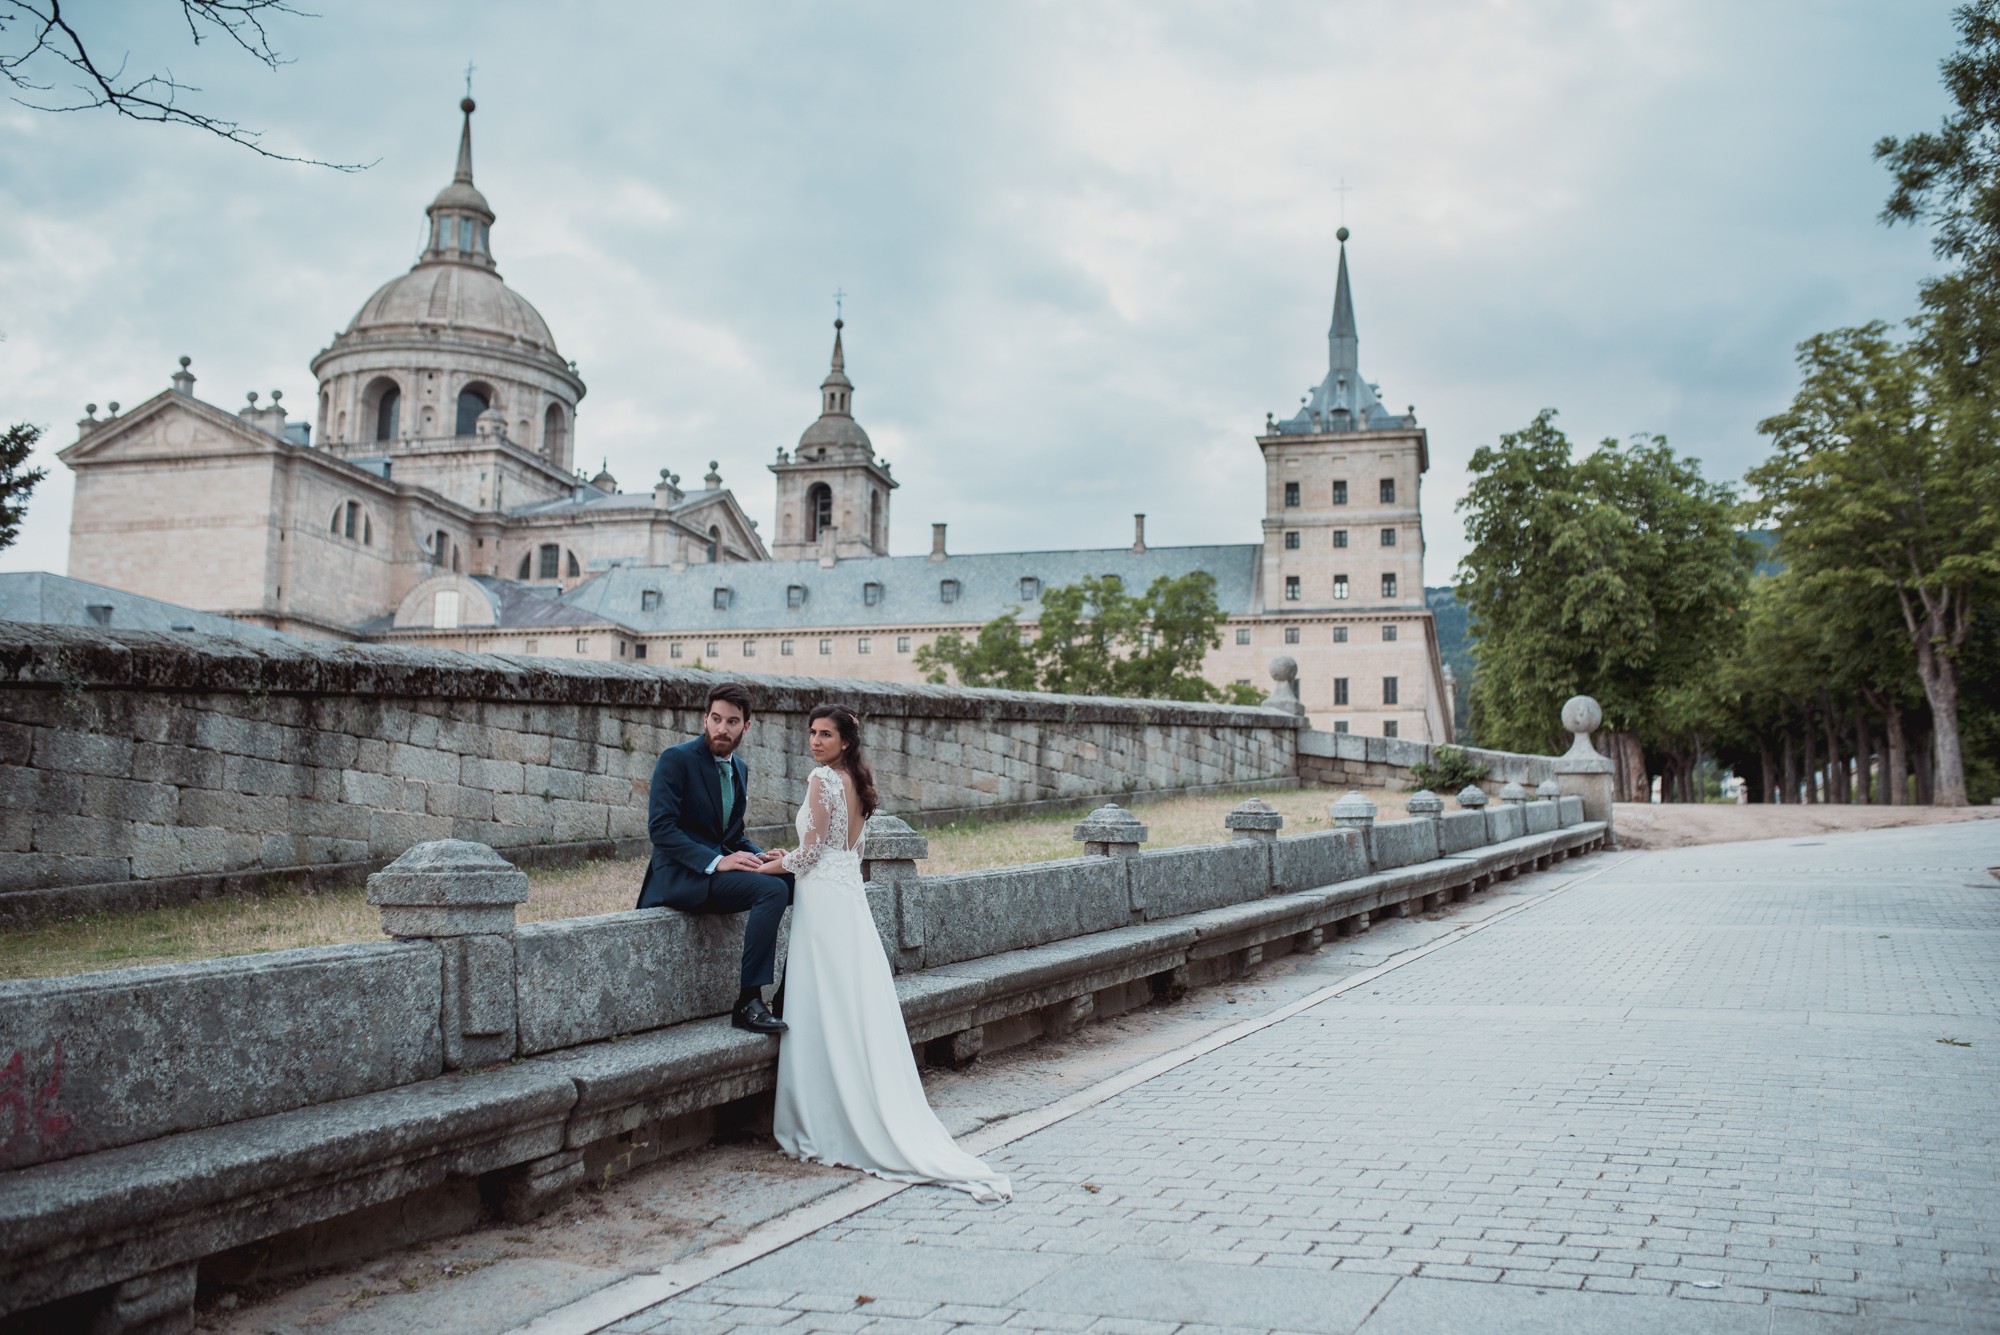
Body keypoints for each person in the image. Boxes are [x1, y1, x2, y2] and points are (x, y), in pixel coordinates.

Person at [751, 704, 1011, 1202]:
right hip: (847, 900)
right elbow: (839, 850)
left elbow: (808, 856)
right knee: (851, 1005)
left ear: (845, 741)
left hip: (823, 903)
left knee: (822, 1004)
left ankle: (823, 1115)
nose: (815, 741)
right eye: (811, 733)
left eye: (825, 734)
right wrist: (782, 855)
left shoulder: (820, 780)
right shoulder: (859, 783)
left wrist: (765, 869)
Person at [636, 682, 791, 1036]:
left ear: (746, 727)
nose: (722, 728)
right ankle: (748, 1003)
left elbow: (731, 835)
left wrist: (759, 855)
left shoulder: (740, 770)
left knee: (794, 881)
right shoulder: (676, 760)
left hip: (715, 875)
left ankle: (787, 993)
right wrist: (716, 861)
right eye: (716, 719)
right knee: (771, 892)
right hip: (682, 877)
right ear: (705, 719)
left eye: (732, 721)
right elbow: (661, 829)